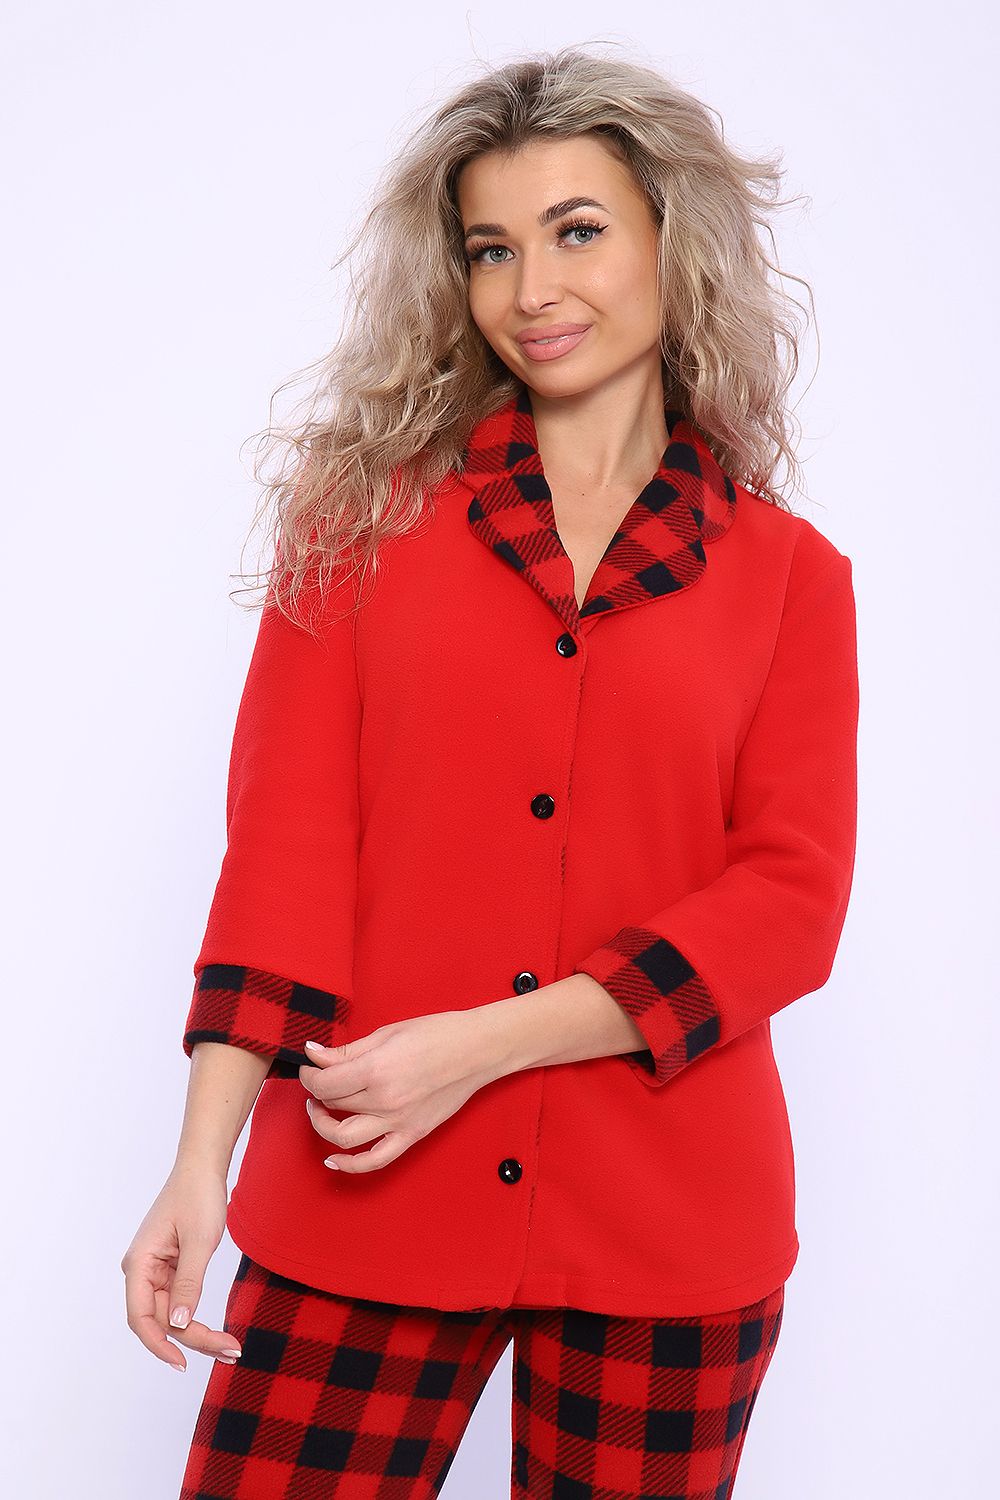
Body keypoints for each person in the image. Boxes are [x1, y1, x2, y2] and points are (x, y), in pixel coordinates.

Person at [121, 45, 859, 1499]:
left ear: (676, 245)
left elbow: (788, 903)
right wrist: (201, 1161)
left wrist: (477, 1047)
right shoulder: (358, 525)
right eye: (492, 248)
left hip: (667, 1222)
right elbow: (283, 857)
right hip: (364, 1186)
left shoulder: (791, 579)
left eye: (578, 230)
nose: (532, 288)